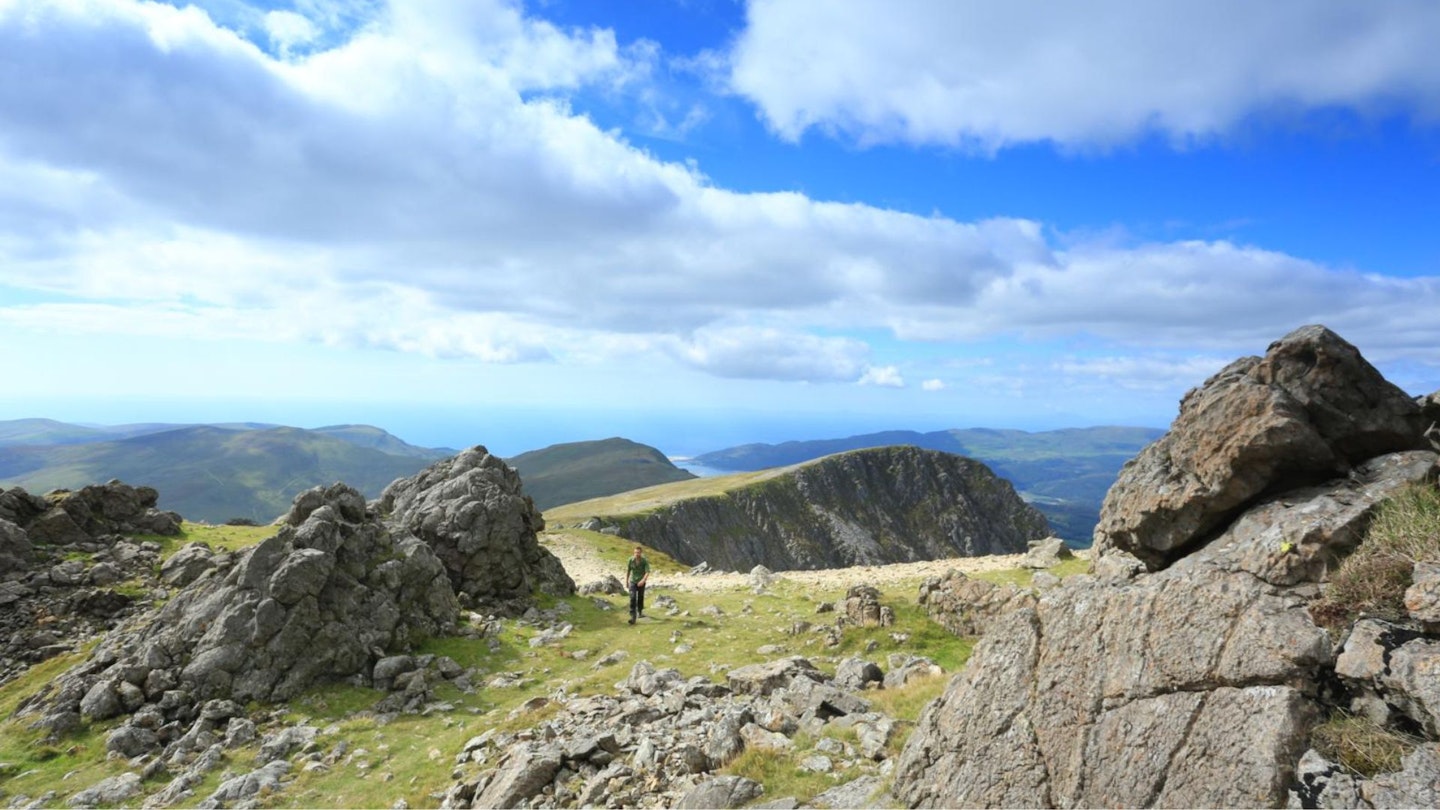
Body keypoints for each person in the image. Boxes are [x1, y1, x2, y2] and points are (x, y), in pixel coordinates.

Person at [626, 545, 650, 625]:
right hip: (633, 581)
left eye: (638, 553)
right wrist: (626, 581)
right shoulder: (630, 560)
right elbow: (628, 571)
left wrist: (643, 580)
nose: (637, 554)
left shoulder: (644, 561)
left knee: (640, 597)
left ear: (641, 553)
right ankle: (633, 617)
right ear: (634, 553)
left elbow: (647, 572)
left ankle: (640, 611)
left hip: (641, 582)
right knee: (632, 597)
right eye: (635, 552)